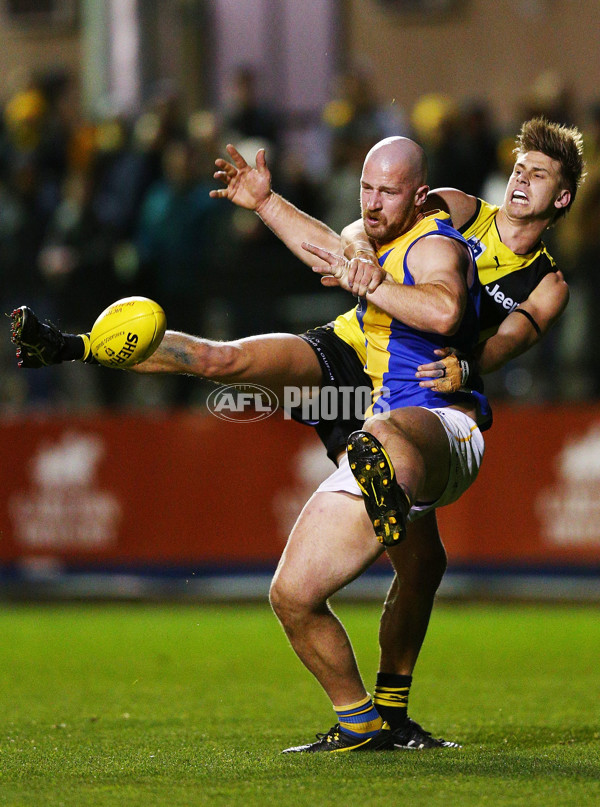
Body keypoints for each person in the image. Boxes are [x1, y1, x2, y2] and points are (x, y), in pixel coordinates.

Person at [11, 118, 585, 750]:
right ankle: (73, 344)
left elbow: (494, 338)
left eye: (537, 173)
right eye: (518, 168)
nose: (520, 180)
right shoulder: (452, 209)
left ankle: (388, 712)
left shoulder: (545, 282)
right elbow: (352, 235)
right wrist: (336, 241)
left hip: (423, 386)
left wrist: (467, 362)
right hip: (359, 348)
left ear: (562, 197)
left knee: (421, 559)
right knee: (227, 362)